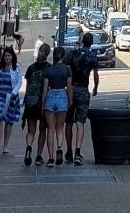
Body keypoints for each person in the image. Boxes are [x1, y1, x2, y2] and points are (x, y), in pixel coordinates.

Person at [65, 32, 98, 165]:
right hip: (83, 89)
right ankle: (77, 152)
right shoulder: (92, 56)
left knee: (68, 121)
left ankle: (68, 150)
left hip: (71, 89)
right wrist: (95, 87)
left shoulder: (73, 53)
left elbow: (67, 70)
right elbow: (96, 74)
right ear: (91, 43)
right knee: (80, 122)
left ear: (82, 41)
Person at [41, 46, 72, 166]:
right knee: (60, 127)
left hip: (50, 95)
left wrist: (43, 104)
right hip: (62, 96)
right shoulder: (67, 70)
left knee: (50, 129)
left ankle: (50, 158)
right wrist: (70, 101)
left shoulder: (48, 70)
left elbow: (45, 89)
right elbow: (69, 87)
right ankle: (59, 147)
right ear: (63, 56)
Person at [0, 46, 23, 154]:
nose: (7, 58)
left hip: (11, 96)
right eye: (5, 56)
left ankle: (5, 146)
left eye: (9, 56)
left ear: (12, 57)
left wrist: (14, 92)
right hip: (0, 94)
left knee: (9, 120)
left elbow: (19, 81)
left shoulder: (16, 68)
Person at [22, 41, 50, 166]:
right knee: (42, 130)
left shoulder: (31, 68)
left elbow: (27, 86)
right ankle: (38, 156)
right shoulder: (49, 68)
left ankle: (29, 147)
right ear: (48, 54)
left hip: (31, 102)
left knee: (31, 131)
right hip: (43, 103)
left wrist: (26, 100)